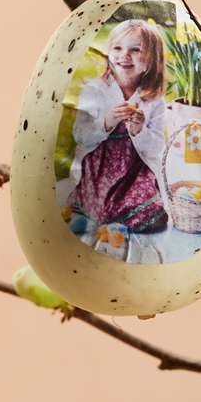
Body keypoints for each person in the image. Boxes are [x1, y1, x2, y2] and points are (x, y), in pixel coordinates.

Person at [64, 19, 169, 256]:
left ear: (150, 60)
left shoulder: (154, 100)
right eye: (118, 49)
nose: (125, 56)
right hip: (101, 166)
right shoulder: (95, 89)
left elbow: (158, 149)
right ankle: (93, 219)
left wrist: (139, 130)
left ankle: (121, 226)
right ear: (108, 53)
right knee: (99, 203)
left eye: (135, 50)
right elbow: (81, 136)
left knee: (149, 209)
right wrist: (107, 122)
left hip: (134, 169)